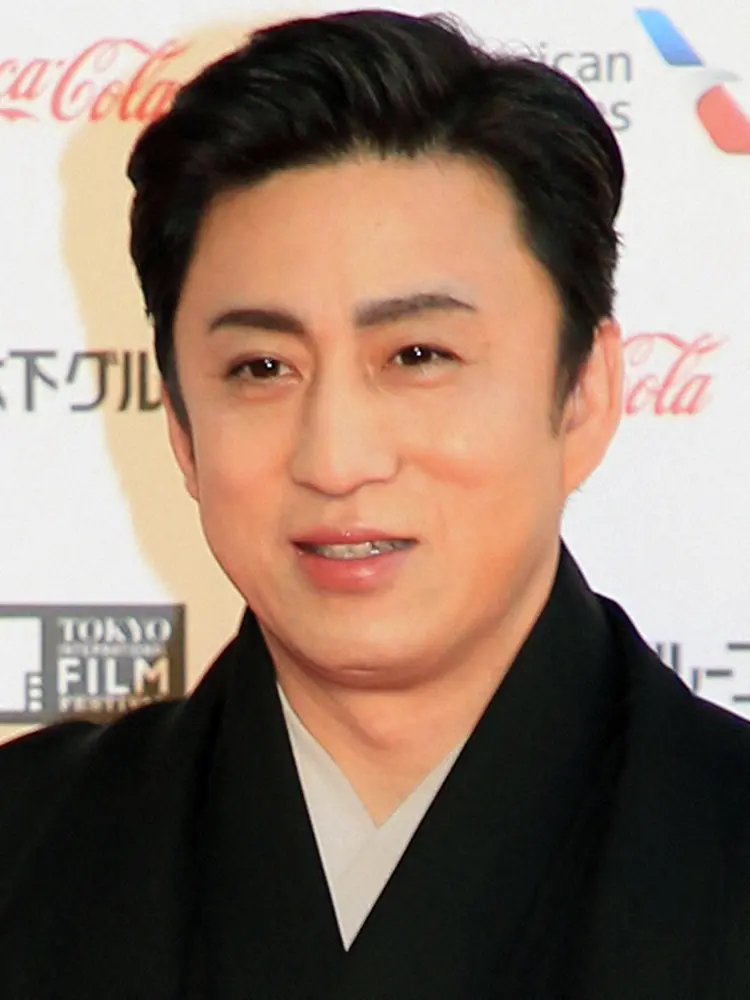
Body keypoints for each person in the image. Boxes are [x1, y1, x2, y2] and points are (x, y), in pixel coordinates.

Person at [1, 9, 749, 999]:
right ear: (180, 426)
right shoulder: (27, 849)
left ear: (583, 394)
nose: (337, 459)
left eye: (417, 356)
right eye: (261, 367)